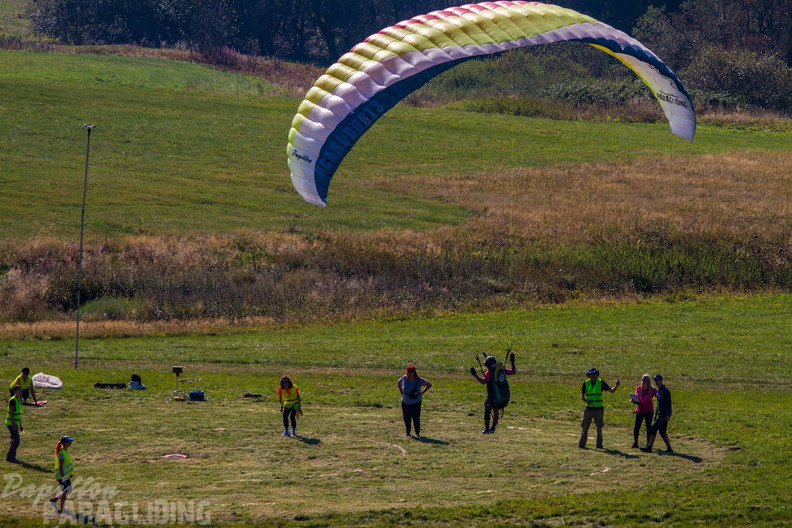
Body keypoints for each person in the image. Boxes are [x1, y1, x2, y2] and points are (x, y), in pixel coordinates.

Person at [470, 352, 516, 434]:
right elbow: (513, 371)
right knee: (496, 410)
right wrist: (512, 361)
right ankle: (493, 428)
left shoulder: (489, 373)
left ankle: (487, 429)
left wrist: (475, 375)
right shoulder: (502, 369)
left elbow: (483, 381)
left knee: (487, 409)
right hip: (502, 397)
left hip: (493, 397)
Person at [578, 367, 620, 449]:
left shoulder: (601, 382)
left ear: (597, 375)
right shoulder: (585, 383)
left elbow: (611, 391)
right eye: (591, 374)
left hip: (599, 409)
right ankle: (581, 445)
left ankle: (599, 445)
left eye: (594, 374)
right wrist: (586, 401)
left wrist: (616, 385)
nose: (593, 376)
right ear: (589, 375)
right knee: (584, 427)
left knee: (599, 428)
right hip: (589, 409)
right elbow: (582, 396)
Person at [641, 374, 673, 453]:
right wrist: (655, 414)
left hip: (664, 415)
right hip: (659, 414)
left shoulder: (665, 390)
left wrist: (668, 414)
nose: (656, 382)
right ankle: (669, 448)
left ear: (661, 380)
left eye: (658, 380)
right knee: (662, 432)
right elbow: (658, 404)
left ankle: (649, 447)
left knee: (653, 429)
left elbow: (669, 403)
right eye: (655, 380)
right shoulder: (658, 391)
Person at [397, 366, 432, 437]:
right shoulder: (404, 378)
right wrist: (401, 392)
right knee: (406, 417)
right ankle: (407, 432)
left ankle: (417, 433)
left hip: (416, 402)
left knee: (416, 418)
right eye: (408, 372)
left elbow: (429, 384)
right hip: (405, 402)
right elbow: (398, 383)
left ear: (414, 372)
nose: (409, 374)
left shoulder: (419, 380)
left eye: (411, 372)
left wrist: (422, 393)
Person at [49, 436, 75, 513]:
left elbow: (66, 465)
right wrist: (63, 478)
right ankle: (62, 509)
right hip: (61, 476)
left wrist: (70, 474)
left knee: (68, 490)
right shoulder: (62, 454)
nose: (71, 443)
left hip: (65, 475)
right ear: (65, 443)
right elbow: (60, 467)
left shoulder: (66, 451)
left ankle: (55, 499)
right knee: (66, 491)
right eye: (69, 441)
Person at [631, 374, 657, 448]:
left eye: (645, 380)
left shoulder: (652, 389)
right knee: (636, 427)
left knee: (648, 427)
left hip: (648, 410)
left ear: (649, 381)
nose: (643, 381)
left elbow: (658, 396)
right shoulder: (638, 388)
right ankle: (635, 442)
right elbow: (636, 397)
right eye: (642, 379)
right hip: (640, 410)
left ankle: (648, 444)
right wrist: (633, 400)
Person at [5, 385, 23, 462]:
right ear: (15, 392)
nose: (21, 392)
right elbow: (11, 413)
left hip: (15, 423)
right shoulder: (12, 400)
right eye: (20, 391)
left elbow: (19, 413)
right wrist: (14, 424)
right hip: (11, 423)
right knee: (16, 440)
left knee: (14, 439)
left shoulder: (19, 399)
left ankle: (11, 456)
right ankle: (10, 457)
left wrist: (20, 424)